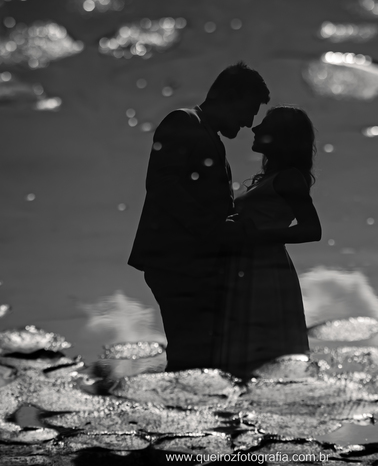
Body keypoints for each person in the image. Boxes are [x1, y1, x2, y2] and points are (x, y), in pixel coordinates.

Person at [128, 62, 270, 371]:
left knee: (199, 352)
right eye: (248, 110)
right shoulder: (182, 122)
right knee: (189, 352)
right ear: (230, 97)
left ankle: (188, 410)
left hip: (192, 265)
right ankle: (180, 412)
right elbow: (162, 186)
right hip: (176, 263)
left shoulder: (209, 138)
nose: (248, 123)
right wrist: (217, 228)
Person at [215, 105, 322, 378]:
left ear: (281, 136)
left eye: (265, 125)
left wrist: (258, 236)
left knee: (264, 346)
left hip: (265, 271)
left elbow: (312, 229)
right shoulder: (274, 178)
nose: (256, 128)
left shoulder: (288, 179)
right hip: (252, 267)